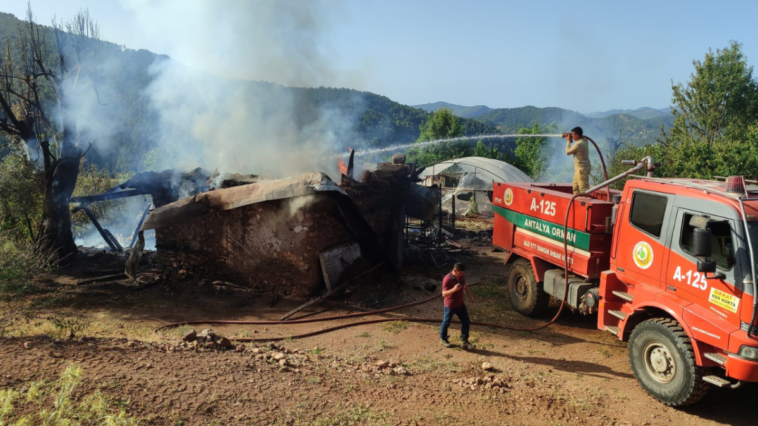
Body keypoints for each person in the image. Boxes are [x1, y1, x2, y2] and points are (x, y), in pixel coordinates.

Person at [440, 262, 476, 349]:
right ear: (455, 271)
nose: (462, 275)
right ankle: (443, 338)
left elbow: (464, 285)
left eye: (463, 273)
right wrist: (454, 289)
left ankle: (464, 341)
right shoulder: (447, 279)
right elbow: (444, 294)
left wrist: (470, 296)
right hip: (450, 305)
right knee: (446, 322)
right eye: (460, 273)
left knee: (466, 321)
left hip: (460, 304)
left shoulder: (461, 276)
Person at [565, 127, 591, 194]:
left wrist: (568, 141)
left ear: (577, 135)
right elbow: (580, 138)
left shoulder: (578, 144)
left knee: (583, 189)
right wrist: (571, 137)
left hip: (582, 169)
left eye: (573, 135)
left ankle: (585, 202)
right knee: (575, 187)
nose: (572, 136)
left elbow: (568, 152)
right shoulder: (585, 140)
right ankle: (578, 202)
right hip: (580, 169)